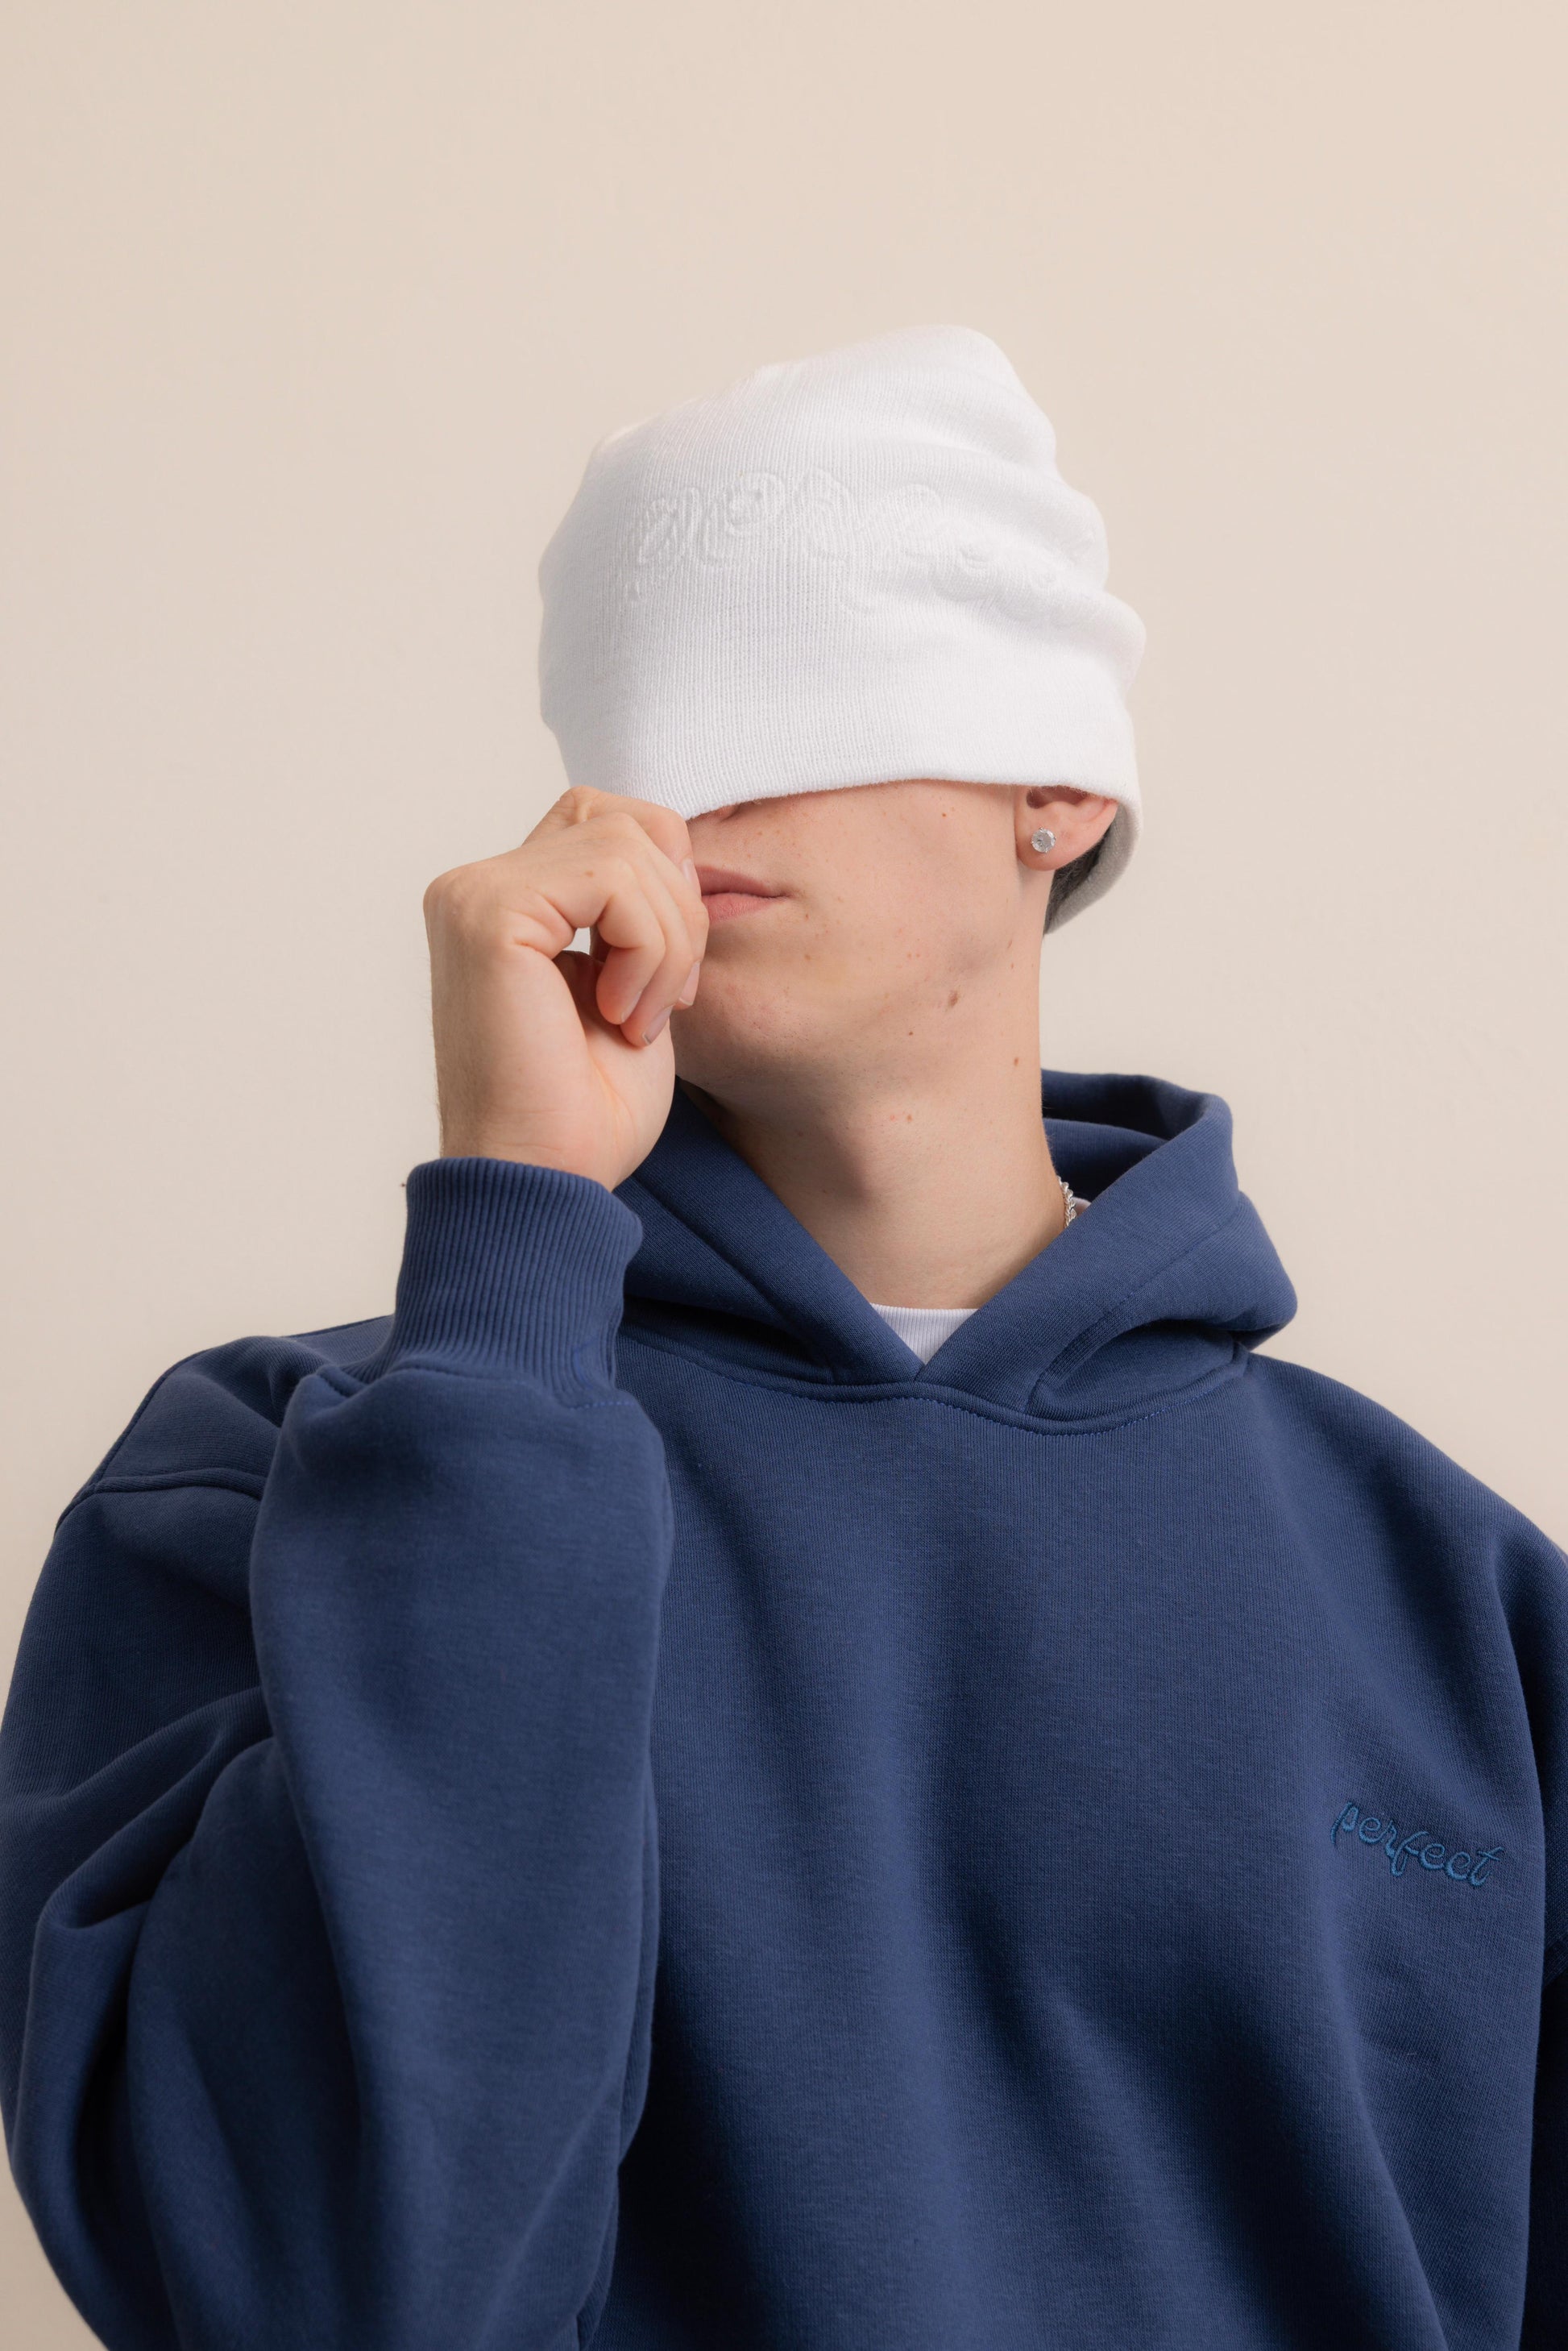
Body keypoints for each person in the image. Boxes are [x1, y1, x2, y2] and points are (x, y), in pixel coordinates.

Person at [1, 325, 1563, 2351]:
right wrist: (509, 1263)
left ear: (1058, 788)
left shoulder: (1453, 1602)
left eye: (811, 678)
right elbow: (337, 2299)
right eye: (631, 717)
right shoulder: (277, 1484)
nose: (688, 785)